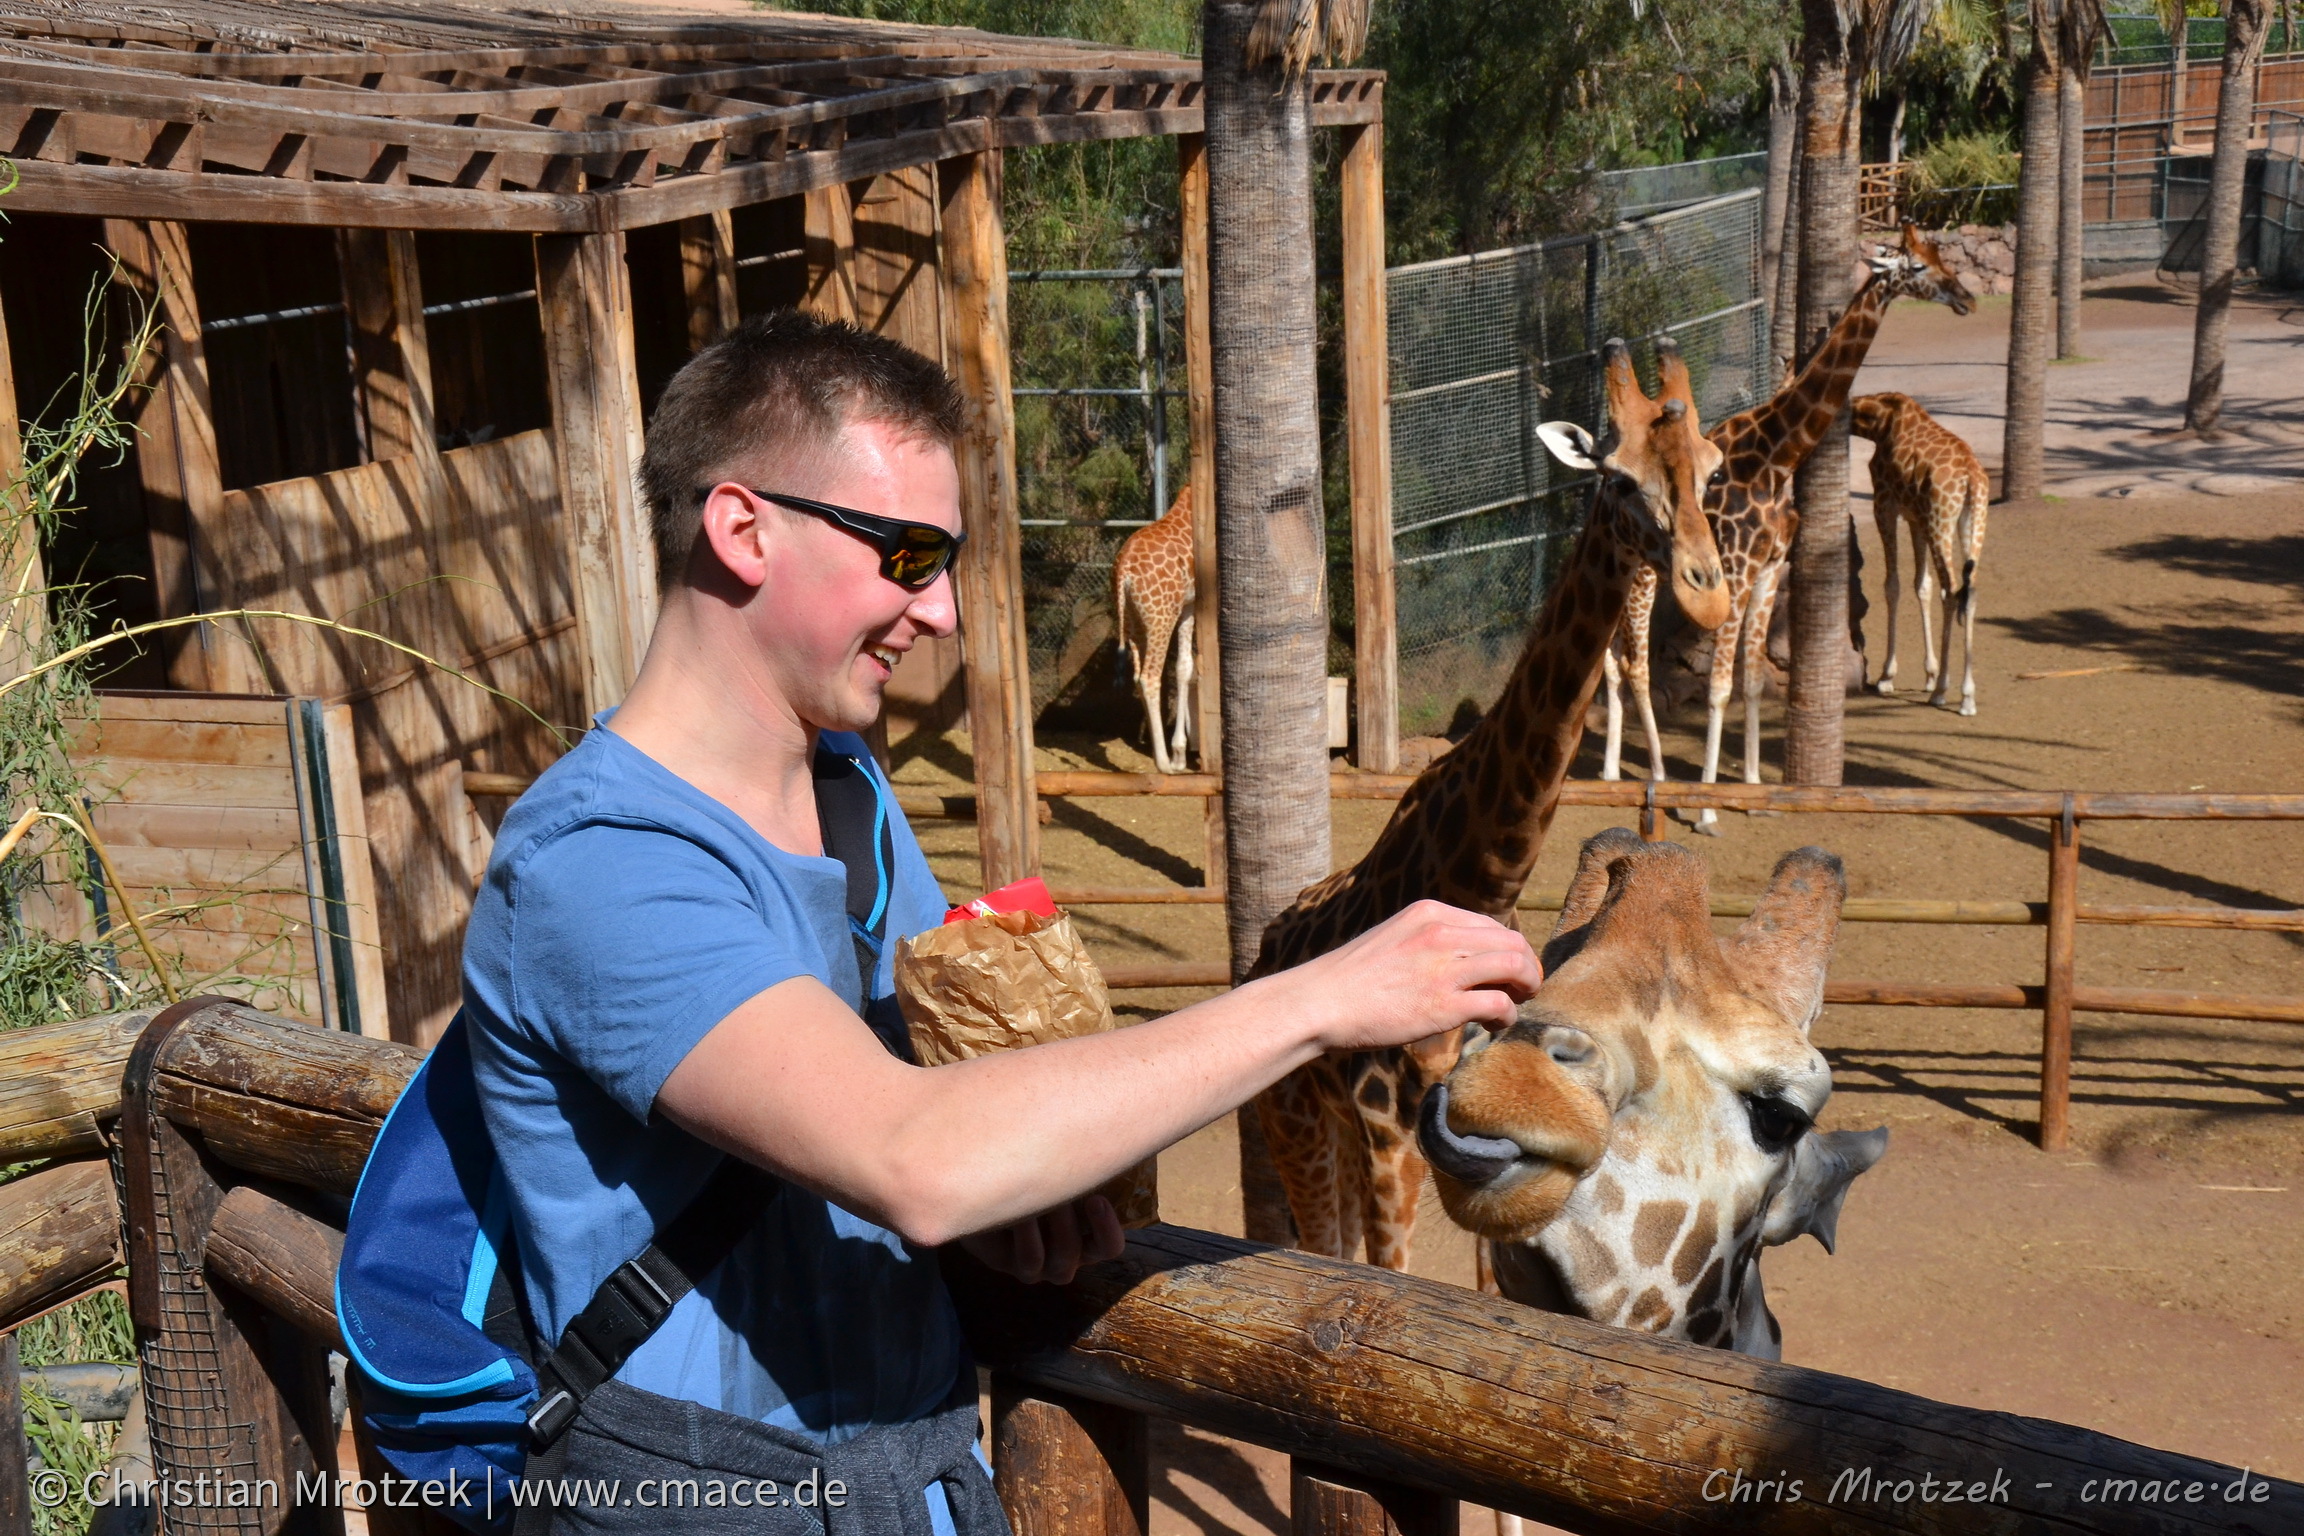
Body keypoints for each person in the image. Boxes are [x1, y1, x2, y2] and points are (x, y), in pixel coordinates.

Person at [460, 311, 1542, 1535]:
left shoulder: (846, 795)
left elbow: (950, 1127)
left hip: (904, 1478)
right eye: (910, 554)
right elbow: (915, 1156)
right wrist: (1319, 999)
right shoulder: (600, 864)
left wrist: (1013, 1221)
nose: (944, 615)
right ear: (743, 529)